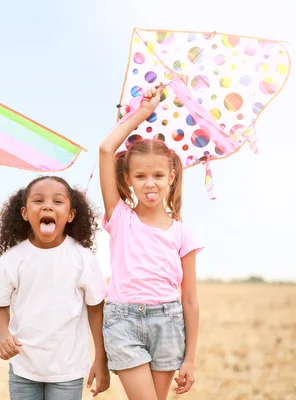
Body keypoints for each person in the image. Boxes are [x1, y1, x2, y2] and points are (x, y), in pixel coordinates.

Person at [98, 85, 202, 399]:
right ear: (128, 180)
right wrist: (142, 113)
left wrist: (191, 359)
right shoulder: (120, 217)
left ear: (171, 177)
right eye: (140, 176)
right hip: (123, 321)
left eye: (158, 175)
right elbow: (105, 149)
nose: (150, 183)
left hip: (168, 323)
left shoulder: (182, 234)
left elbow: (191, 301)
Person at [0, 175, 110, 399]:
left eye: (58, 201)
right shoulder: (12, 259)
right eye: (38, 200)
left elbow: (96, 309)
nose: (47, 206)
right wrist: (3, 334)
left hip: (68, 371)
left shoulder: (83, 258)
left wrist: (101, 359)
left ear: (71, 214)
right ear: (24, 213)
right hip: (23, 368)